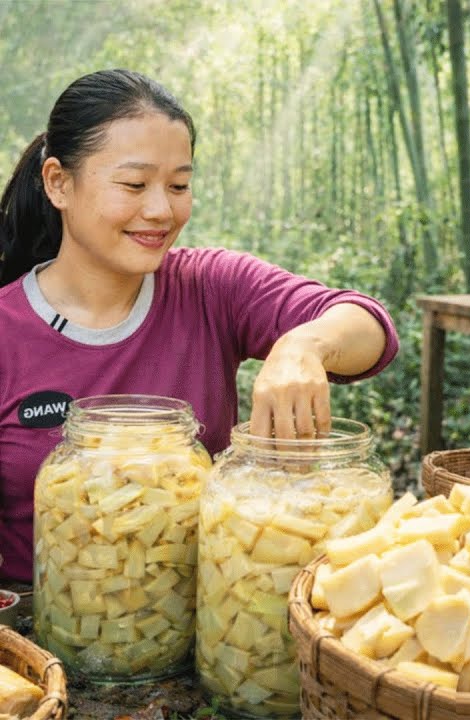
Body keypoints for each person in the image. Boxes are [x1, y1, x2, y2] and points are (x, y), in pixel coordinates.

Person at [0, 69, 399, 584]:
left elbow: (371, 327)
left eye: (179, 185)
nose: (161, 210)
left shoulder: (212, 288)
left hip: (201, 630)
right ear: (58, 182)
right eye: (134, 184)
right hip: (31, 642)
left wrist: (305, 345)